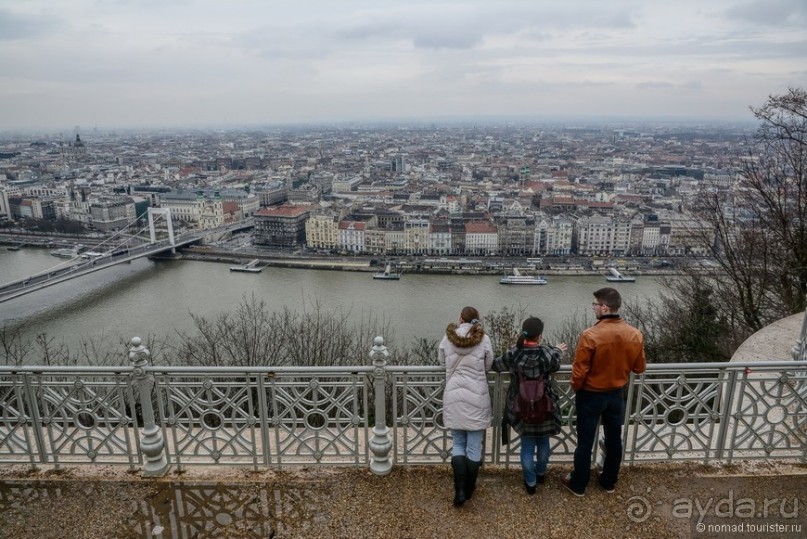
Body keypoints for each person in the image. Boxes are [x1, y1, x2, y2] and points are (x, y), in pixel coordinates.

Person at [560, 287, 646, 497]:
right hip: (616, 394)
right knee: (614, 439)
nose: (594, 308)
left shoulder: (590, 335)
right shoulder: (635, 334)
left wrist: (576, 387)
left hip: (590, 394)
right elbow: (640, 368)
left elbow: (579, 370)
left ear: (605, 307)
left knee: (585, 441)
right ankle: (609, 481)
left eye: (595, 305)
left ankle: (579, 484)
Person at [493, 317, 567, 494]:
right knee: (543, 443)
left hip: (522, 406)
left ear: (523, 332)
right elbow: (556, 363)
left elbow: (495, 365)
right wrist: (558, 349)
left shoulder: (514, 353)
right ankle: (541, 473)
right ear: (540, 336)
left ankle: (531, 482)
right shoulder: (547, 353)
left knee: (527, 446)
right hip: (545, 406)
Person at [439, 306, 494, 507]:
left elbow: (441, 359)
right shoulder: (484, 339)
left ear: (460, 319)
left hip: (453, 395)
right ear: (476, 321)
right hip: (477, 397)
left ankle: (459, 490)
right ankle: (469, 487)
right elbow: (489, 365)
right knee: (473, 447)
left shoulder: (448, 337)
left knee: (458, 444)